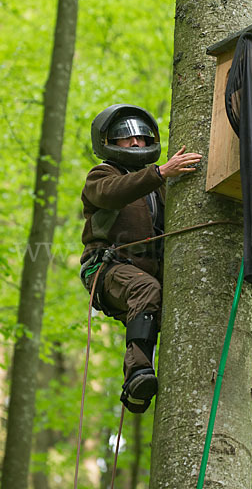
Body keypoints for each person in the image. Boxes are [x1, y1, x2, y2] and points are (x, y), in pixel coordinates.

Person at [80, 104, 202, 413]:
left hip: (148, 275)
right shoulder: (102, 175)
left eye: (143, 138)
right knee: (145, 290)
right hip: (107, 269)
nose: (136, 143)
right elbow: (110, 194)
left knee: (164, 301)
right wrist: (160, 172)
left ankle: (137, 393)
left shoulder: (160, 188)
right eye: (126, 137)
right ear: (108, 140)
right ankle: (136, 373)